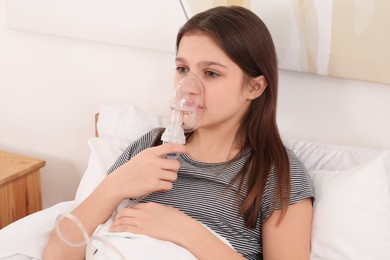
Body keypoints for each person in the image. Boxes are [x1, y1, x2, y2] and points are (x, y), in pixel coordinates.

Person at [44, 5, 314, 260]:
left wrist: (186, 232)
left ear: (254, 88)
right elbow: (57, 253)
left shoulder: (277, 174)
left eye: (210, 73)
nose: (188, 86)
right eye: (183, 69)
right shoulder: (150, 147)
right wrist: (114, 186)